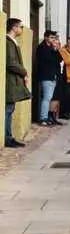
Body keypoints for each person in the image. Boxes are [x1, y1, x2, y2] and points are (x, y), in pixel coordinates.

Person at [5, 19, 31, 147]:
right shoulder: (8, 42)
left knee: (10, 109)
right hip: (10, 81)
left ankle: (9, 136)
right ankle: (7, 137)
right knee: (8, 110)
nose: (22, 29)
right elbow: (11, 63)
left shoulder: (12, 42)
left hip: (13, 80)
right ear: (14, 27)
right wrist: (24, 72)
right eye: (21, 26)